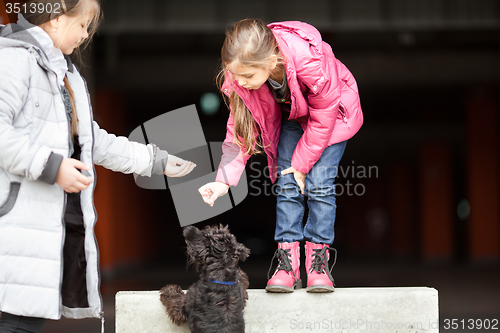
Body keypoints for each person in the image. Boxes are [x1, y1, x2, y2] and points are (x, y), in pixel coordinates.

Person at [0, 1, 196, 332]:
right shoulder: (13, 59)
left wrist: (155, 161)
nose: (86, 33)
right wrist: (54, 167)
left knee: (24, 322)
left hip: (37, 236)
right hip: (14, 227)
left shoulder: (67, 74)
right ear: (56, 20)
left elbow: (94, 141)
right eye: (83, 24)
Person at [199, 19, 363, 293]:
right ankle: (287, 265)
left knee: (319, 185)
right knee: (287, 186)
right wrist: (223, 181)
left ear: (271, 61)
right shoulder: (239, 75)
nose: (240, 82)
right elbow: (238, 130)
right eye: (236, 75)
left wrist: (301, 165)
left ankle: (318, 264)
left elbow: (323, 120)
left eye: (248, 76)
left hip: (334, 116)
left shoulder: (310, 60)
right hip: (294, 116)